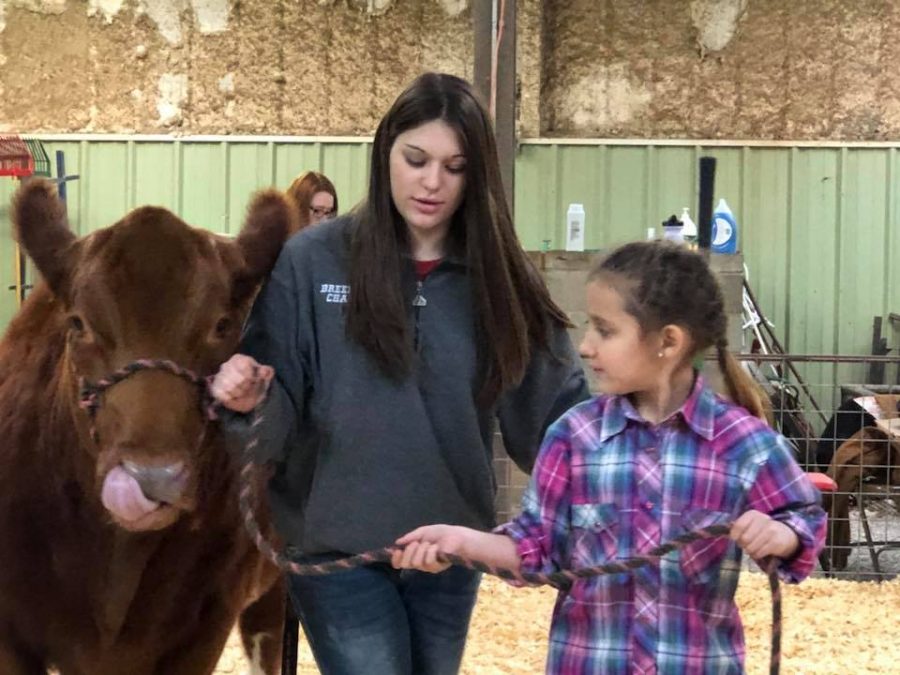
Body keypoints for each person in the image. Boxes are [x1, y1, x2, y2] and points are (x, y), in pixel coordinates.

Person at [210, 72, 590, 675]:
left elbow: (558, 415)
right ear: (385, 151)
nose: (432, 182)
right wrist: (246, 398)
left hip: (448, 549)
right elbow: (274, 410)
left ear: (477, 176)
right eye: (415, 159)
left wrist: (640, 453)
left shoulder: (498, 277)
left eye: (455, 166)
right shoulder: (313, 262)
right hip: (336, 548)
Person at [392, 240, 827, 674]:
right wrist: (461, 542)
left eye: (605, 329)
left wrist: (782, 535)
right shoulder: (573, 437)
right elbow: (535, 548)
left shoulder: (743, 443)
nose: (585, 346)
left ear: (668, 341)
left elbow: (804, 518)